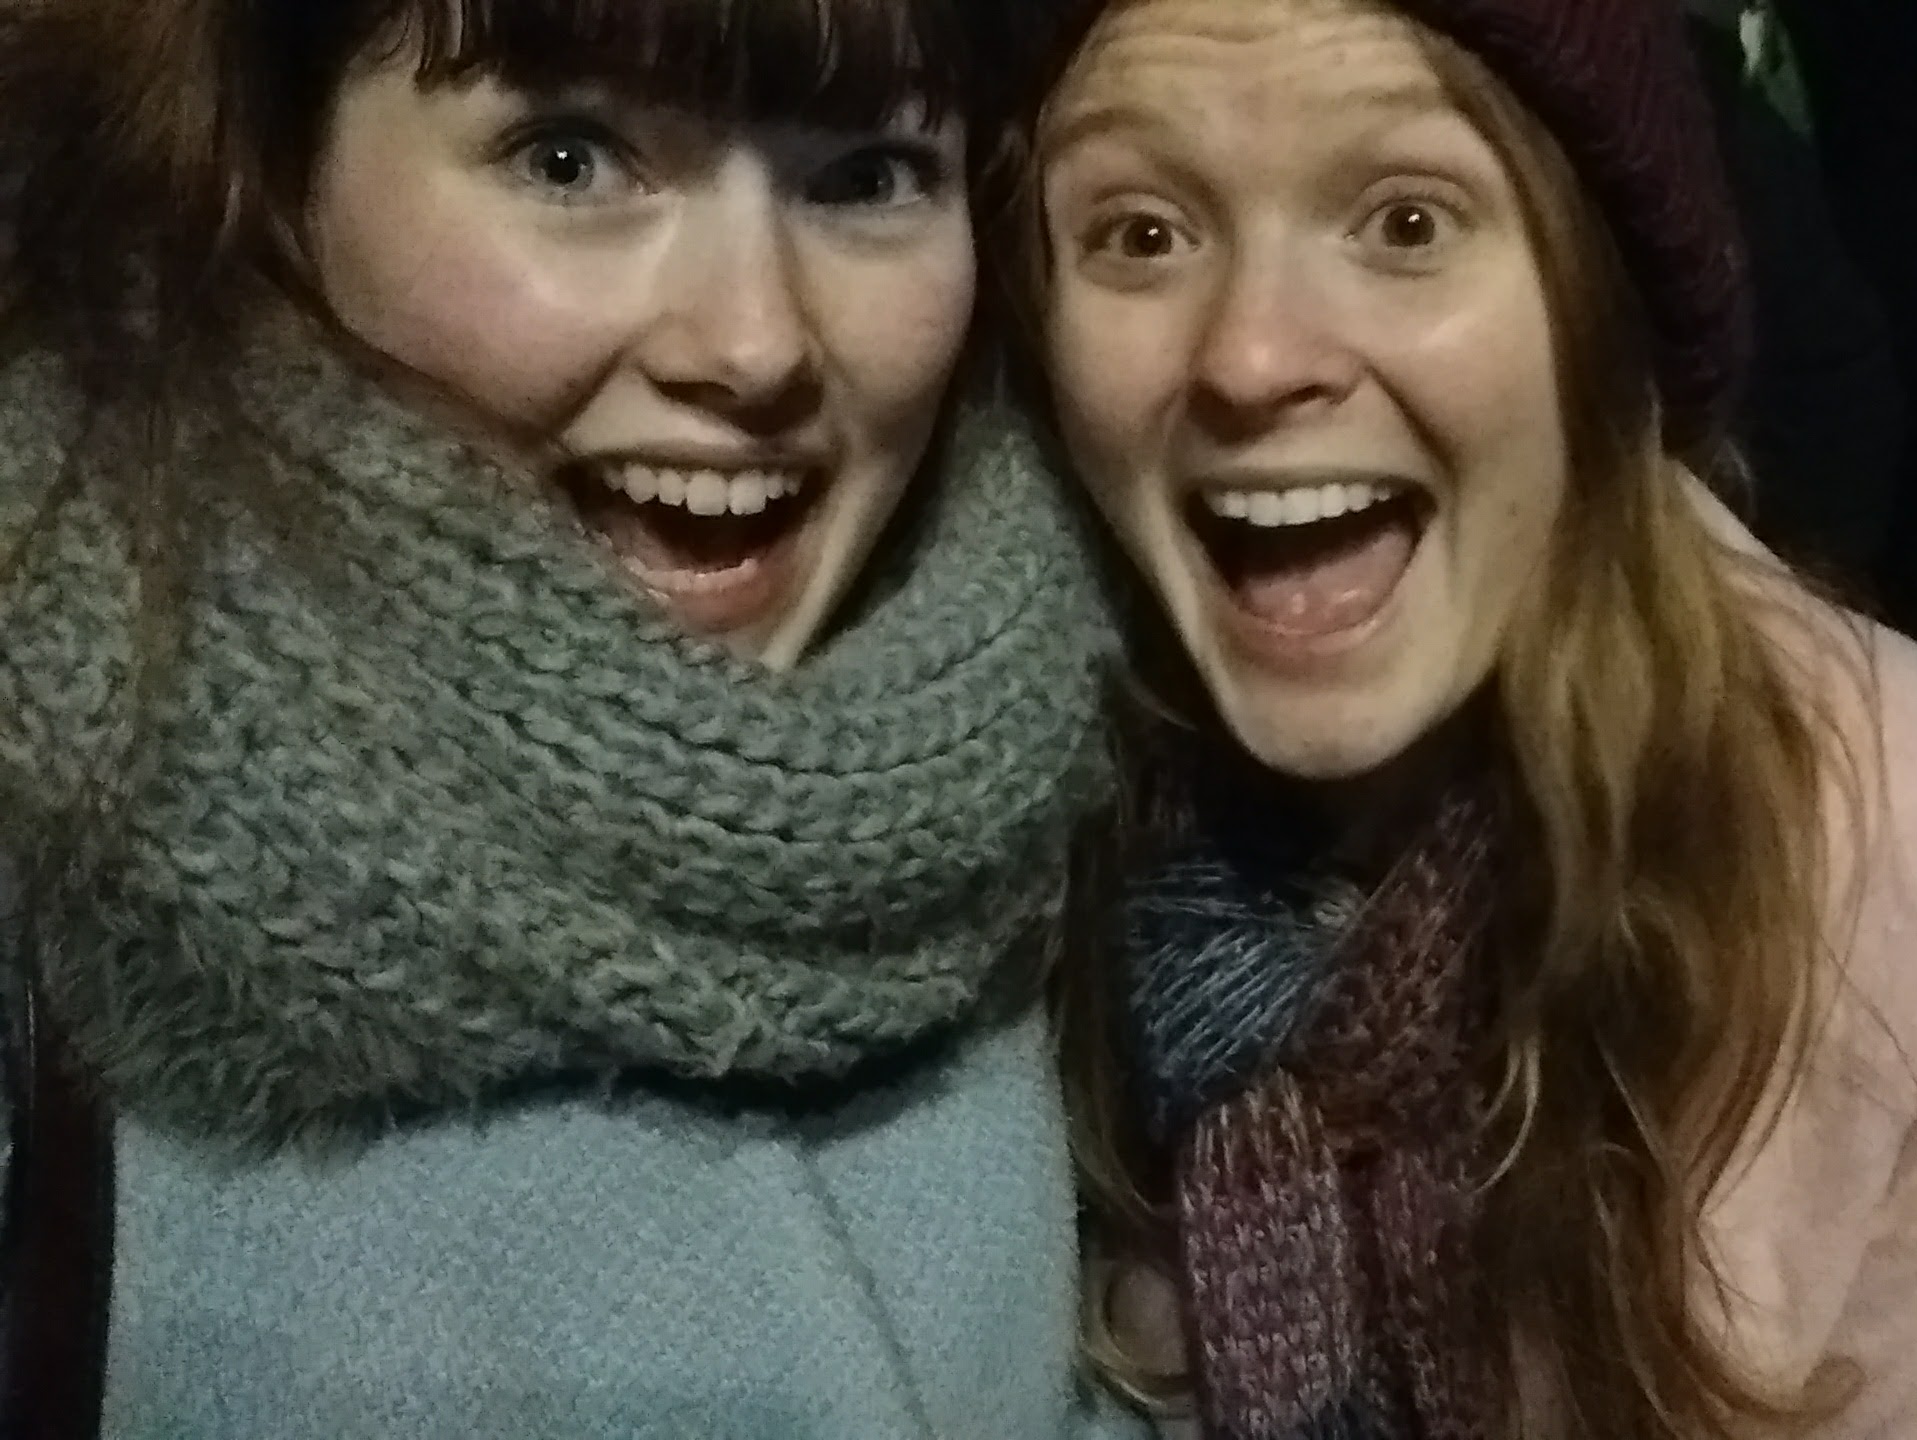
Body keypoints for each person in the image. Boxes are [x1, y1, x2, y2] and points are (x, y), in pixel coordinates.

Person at [0, 1, 1142, 1436]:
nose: (755, 344)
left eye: (866, 178)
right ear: (278, 181)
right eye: (569, 160)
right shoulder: (55, 791)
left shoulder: (1071, 756)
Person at [1014, 0, 1917, 1435]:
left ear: (1602, 297)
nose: (1250, 357)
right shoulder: (1002, 791)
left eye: (1407, 222)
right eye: (1141, 234)